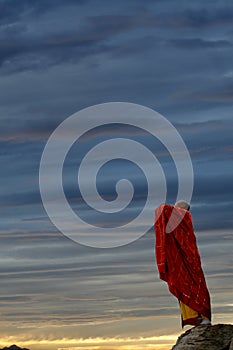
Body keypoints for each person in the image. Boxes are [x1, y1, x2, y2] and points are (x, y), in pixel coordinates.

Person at [154, 200, 211, 327]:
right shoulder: (174, 222)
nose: (175, 210)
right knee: (182, 285)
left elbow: (162, 209)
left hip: (190, 258)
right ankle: (195, 317)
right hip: (179, 258)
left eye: (178, 208)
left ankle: (203, 316)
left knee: (197, 287)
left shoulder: (184, 218)